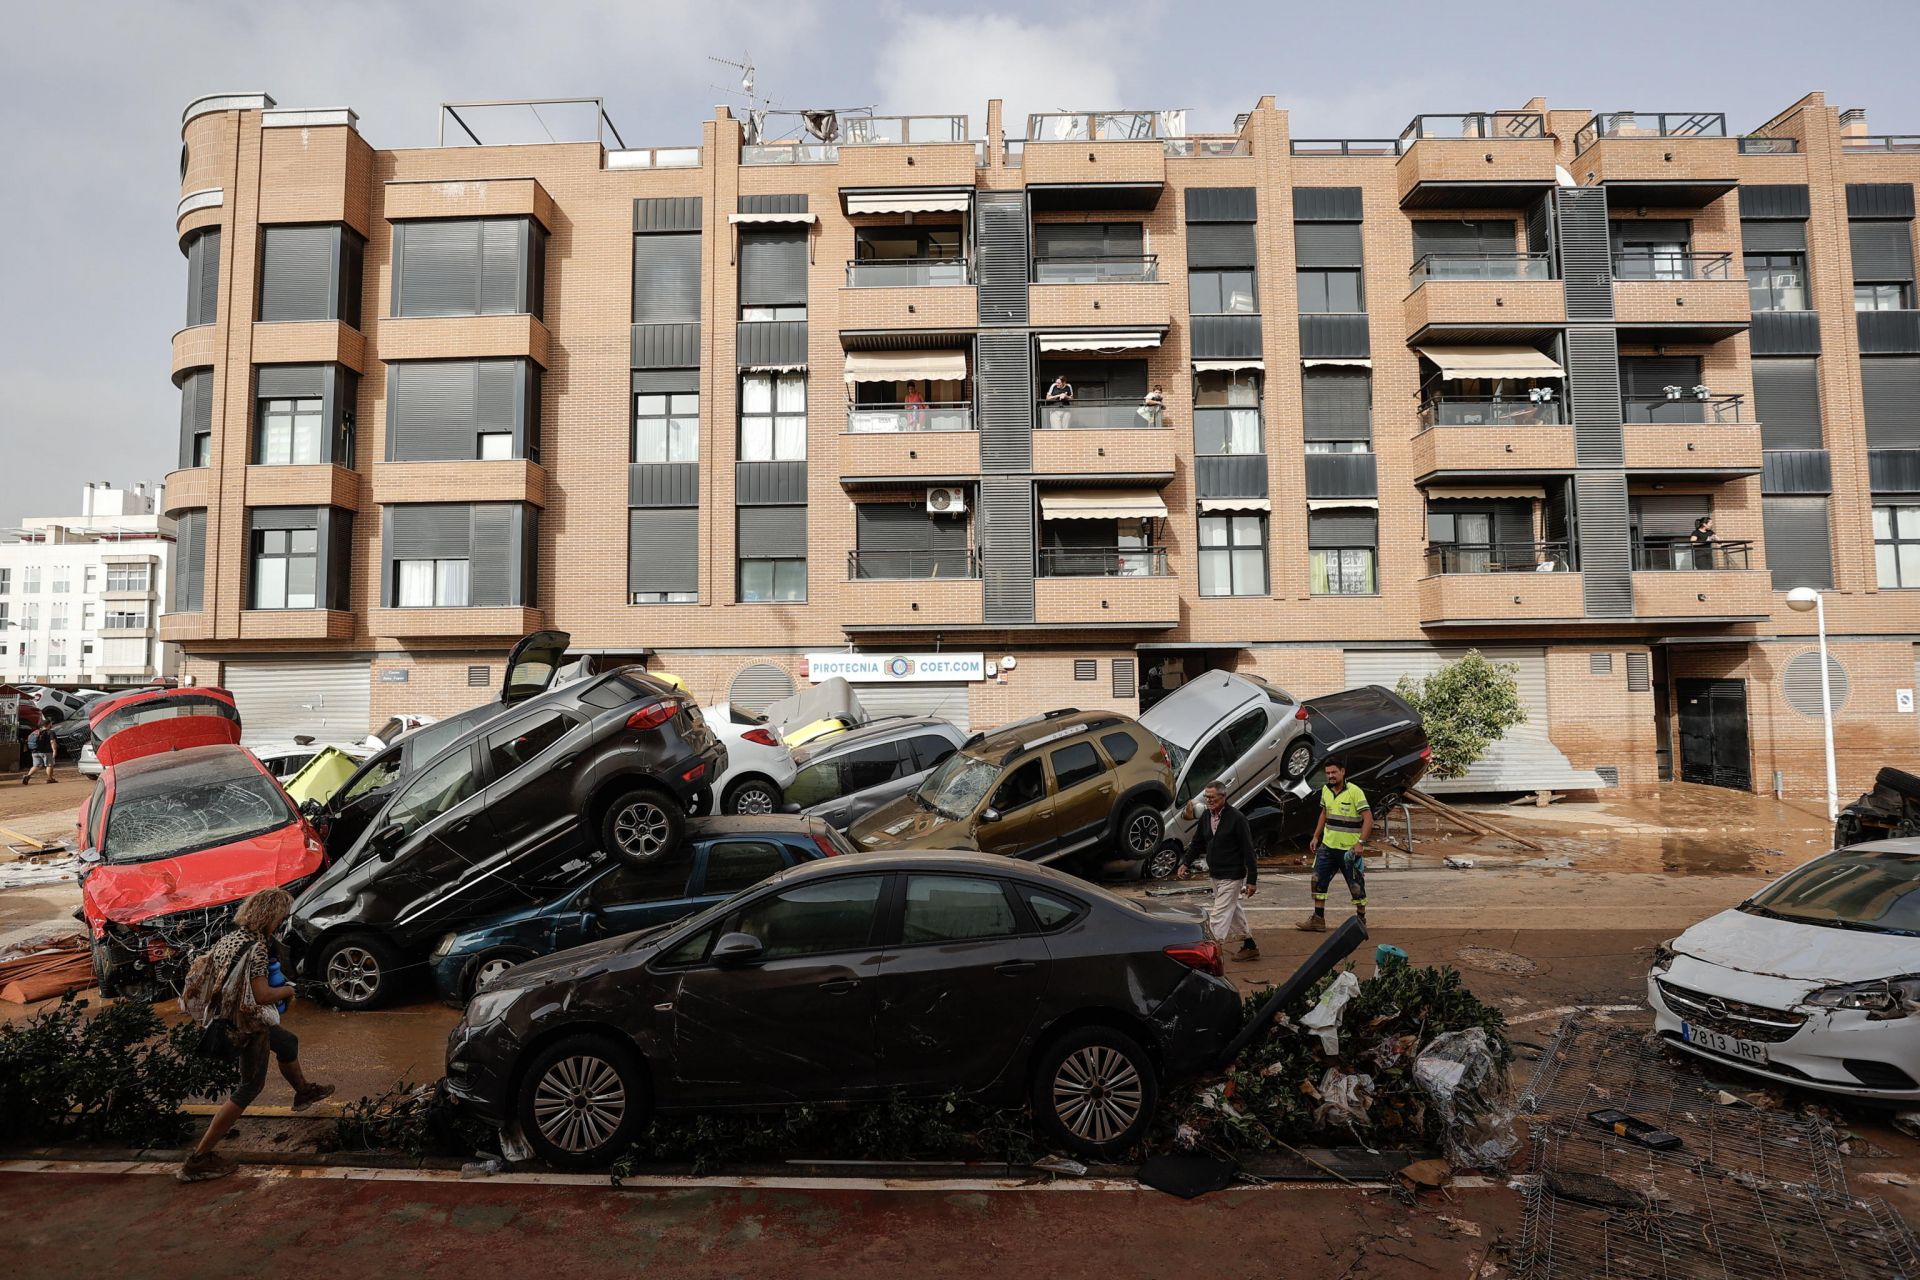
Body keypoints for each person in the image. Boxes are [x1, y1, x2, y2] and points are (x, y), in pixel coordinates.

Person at [177, 888, 334, 1183]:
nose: (282, 921)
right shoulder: (258, 948)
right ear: (270, 916)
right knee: (249, 1088)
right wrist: (288, 990)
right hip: (248, 1025)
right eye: (281, 916)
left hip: (230, 1016)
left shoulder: (231, 938)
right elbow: (262, 995)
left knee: (288, 1042)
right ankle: (199, 1158)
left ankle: (303, 1092)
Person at [1176, 782, 1260, 961]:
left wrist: (1252, 879)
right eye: (1206, 797)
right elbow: (1198, 842)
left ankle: (1209, 952)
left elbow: (1248, 850)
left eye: (1212, 797)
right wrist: (1185, 862)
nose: (1209, 801)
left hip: (1232, 875)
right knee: (1233, 910)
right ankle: (1250, 945)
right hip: (1216, 874)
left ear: (1223, 797)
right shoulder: (1206, 816)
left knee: (1219, 915)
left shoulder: (1237, 818)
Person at [1298, 758, 1371, 932]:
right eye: (1328, 773)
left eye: (1334, 772)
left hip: (1349, 851)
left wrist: (1360, 843)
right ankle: (1318, 919)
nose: (1330, 776)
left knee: (1356, 885)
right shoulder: (1326, 790)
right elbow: (1324, 813)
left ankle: (1361, 919)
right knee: (1318, 881)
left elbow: (1368, 818)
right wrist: (1316, 836)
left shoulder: (1355, 792)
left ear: (1343, 772)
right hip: (1328, 847)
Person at [21, 719, 56, 785]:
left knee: (36, 766)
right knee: (49, 765)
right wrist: (54, 750)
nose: (51, 725)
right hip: (46, 752)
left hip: (35, 752)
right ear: (49, 724)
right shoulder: (50, 732)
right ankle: (50, 779)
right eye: (51, 723)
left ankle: (27, 776)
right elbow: (52, 742)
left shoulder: (35, 732)